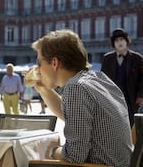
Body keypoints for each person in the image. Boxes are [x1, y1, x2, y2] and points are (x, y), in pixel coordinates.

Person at [29, 29, 132, 166]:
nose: (38, 69)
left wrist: (52, 150)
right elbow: (73, 116)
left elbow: (74, 156)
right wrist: (41, 88)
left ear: (54, 62)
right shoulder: (100, 79)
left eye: (39, 63)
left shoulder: (76, 88)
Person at [101, 28, 143, 127]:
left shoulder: (137, 58)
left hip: (131, 99)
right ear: (113, 43)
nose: (119, 43)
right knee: (114, 125)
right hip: (112, 99)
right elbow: (102, 79)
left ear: (126, 41)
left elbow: (142, 79)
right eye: (116, 40)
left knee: (131, 125)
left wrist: (141, 95)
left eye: (121, 39)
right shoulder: (107, 58)